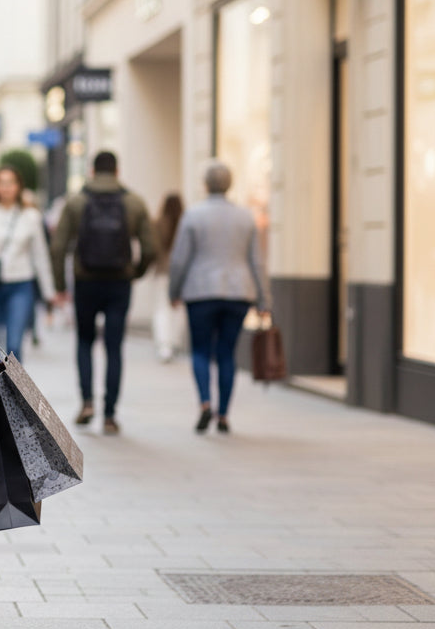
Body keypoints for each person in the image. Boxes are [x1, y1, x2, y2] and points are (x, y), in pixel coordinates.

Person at [50, 151, 156, 434]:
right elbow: (150, 248)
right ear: (117, 170)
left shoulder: (75, 202)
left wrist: (60, 285)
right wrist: (136, 272)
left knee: (84, 341)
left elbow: (58, 247)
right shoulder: (134, 202)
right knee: (114, 346)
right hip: (119, 282)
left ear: (92, 171)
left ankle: (86, 402)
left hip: (86, 281)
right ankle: (109, 414)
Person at [168, 160, 270, 434]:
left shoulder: (193, 215)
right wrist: (264, 300)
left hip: (200, 291)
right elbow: (257, 262)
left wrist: (173, 290)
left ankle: (204, 403)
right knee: (227, 353)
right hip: (238, 293)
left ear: (205, 184)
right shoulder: (245, 216)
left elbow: (179, 259)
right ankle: (223, 414)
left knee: (200, 350)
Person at [0, 166, 54, 362]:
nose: (6, 188)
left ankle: (12, 392)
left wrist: (49, 292)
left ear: (19, 187)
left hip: (20, 285)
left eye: (11, 183)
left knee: (14, 347)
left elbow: (40, 256)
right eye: (1, 183)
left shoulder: (31, 217)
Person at [151, 193, 185, 362]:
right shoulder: (185, 223)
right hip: (182, 273)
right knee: (178, 309)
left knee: (161, 309)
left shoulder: (158, 224)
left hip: (163, 271)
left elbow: (152, 248)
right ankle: (175, 342)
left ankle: (164, 344)